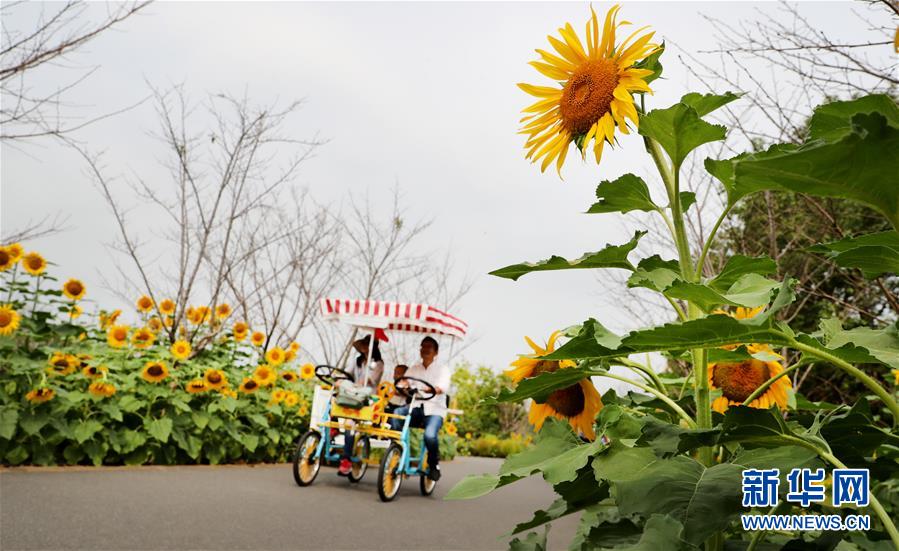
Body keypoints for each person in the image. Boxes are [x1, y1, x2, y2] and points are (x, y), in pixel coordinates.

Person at [390, 336, 450, 481]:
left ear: (436, 352)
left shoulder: (443, 369)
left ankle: (433, 463)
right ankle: (397, 449)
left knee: (429, 435)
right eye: (423, 346)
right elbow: (404, 382)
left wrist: (430, 389)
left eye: (429, 347)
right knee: (397, 413)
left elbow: (441, 388)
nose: (425, 349)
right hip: (416, 407)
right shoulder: (414, 369)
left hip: (434, 410)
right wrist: (403, 385)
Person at [338, 334, 385, 476]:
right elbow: (346, 373)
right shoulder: (357, 361)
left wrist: (357, 384)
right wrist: (340, 380)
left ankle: (346, 460)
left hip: (368, 399)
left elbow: (371, 379)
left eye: (368, 344)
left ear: (374, 347)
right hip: (353, 395)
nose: (365, 347)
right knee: (335, 400)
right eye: (364, 344)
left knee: (350, 425)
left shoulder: (378, 363)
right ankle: (334, 432)